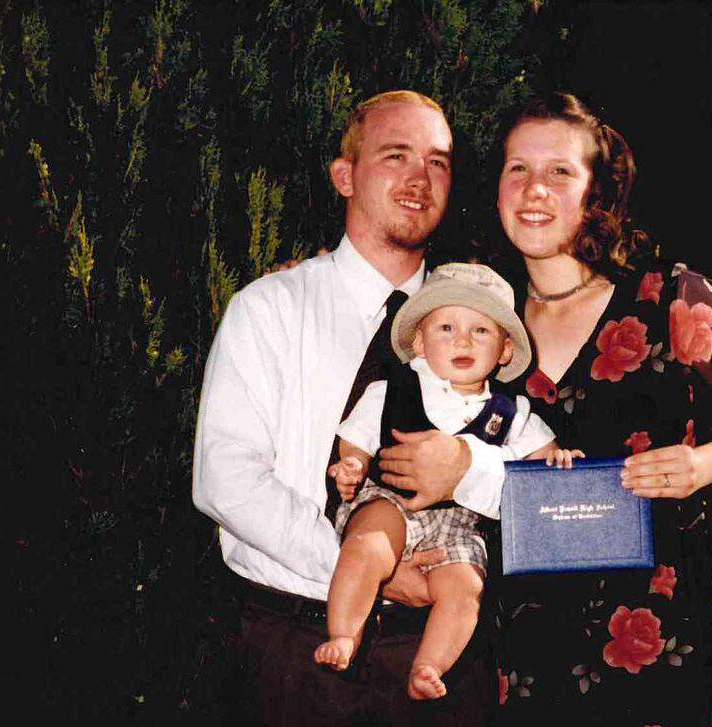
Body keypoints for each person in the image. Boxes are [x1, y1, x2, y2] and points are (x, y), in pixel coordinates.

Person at [384, 92, 712, 725]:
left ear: (595, 193)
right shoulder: (471, 329)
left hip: (665, 641)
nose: (534, 190)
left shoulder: (668, 297)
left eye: (560, 171)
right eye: (517, 168)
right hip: (526, 651)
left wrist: (701, 464)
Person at [192, 91, 506, 726]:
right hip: (298, 648)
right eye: (396, 155)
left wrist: (472, 470)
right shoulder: (269, 309)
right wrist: (366, 568)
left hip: (443, 654)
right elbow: (223, 479)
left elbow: (527, 471)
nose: (420, 179)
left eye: (438, 162)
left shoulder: (483, 327)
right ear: (345, 176)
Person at [314, 262, 582, 701]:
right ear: (418, 342)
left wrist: (561, 460)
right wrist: (351, 467)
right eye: (446, 327)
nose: (462, 339)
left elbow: (544, 461)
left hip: (460, 523)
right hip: (391, 499)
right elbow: (355, 438)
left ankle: (429, 666)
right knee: (367, 546)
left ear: (505, 351)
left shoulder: (512, 411)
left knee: (465, 588)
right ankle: (345, 633)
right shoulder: (392, 387)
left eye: (481, 331)